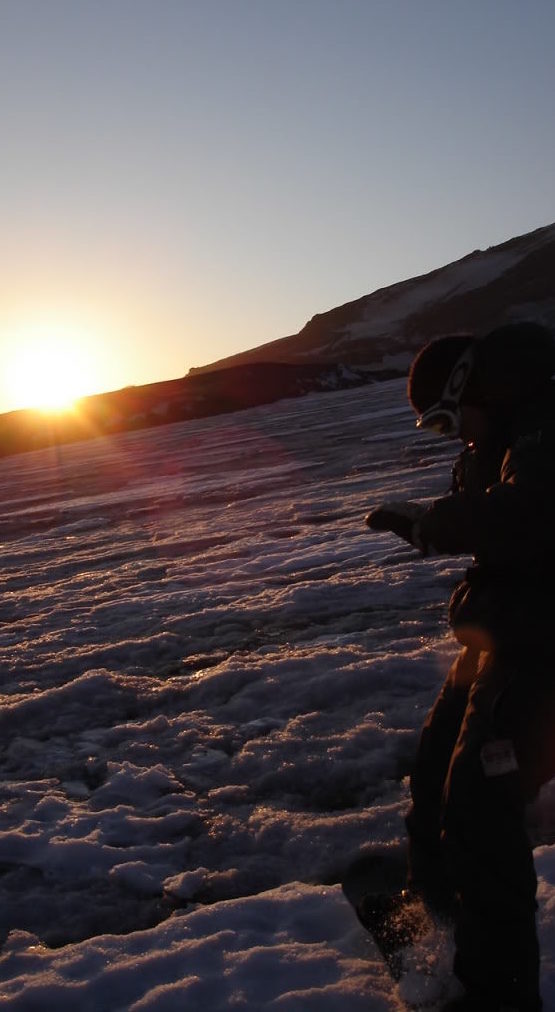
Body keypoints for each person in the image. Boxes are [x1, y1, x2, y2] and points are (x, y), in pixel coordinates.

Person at [366, 322, 555, 1012]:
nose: (451, 435)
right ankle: (437, 916)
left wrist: (437, 523)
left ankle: (497, 995)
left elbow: (528, 513)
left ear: (471, 384)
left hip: (543, 644)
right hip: (505, 630)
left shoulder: (544, 424)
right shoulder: (502, 431)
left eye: (447, 416)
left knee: (480, 804)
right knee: (435, 771)